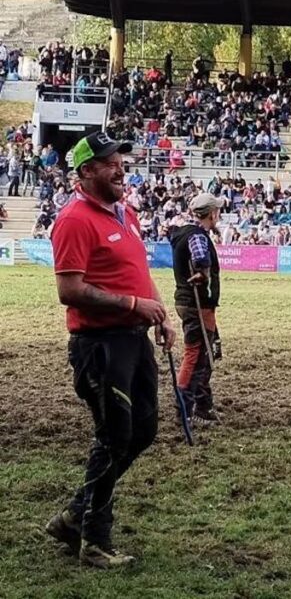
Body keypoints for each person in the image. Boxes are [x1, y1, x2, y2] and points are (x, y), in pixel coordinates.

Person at [46, 132, 175, 569]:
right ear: (85, 172)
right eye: (108, 162)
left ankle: (73, 517)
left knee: (144, 430)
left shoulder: (126, 213)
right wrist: (135, 305)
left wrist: (160, 314)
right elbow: (70, 289)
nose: (120, 167)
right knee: (114, 436)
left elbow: (138, 271)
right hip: (100, 346)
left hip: (134, 340)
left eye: (121, 159)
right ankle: (93, 540)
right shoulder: (74, 220)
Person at [170, 192, 224, 423]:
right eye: (217, 212)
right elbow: (200, 256)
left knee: (206, 353)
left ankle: (202, 404)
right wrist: (202, 272)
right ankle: (185, 406)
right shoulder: (197, 235)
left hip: (192, 303)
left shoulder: (183, 232)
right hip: (197, 304)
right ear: (211, 214)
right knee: (196, 355)